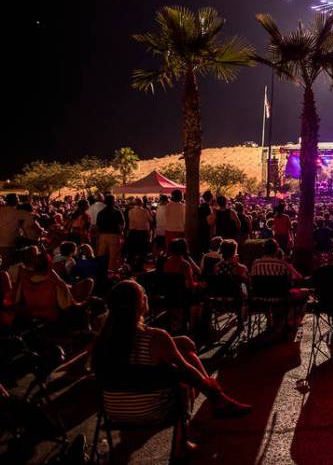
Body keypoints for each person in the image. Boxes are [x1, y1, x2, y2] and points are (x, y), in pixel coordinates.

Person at [91, 280, 251, 458]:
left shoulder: (103, 340)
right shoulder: (156, 338)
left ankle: (218, 399)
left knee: (184, 348)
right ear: (141, 304)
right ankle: (188, 435)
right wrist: (210, 387)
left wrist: (177, 343)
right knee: (184, 379)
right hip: (150, 411)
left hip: (112, 410)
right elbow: (186, 372)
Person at [96, 195, 126, 271]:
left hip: (103, 235)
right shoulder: (117, 212)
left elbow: (97, 225)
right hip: (114, 235)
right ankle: (111, 272)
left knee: (101, 255)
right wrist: (121, 233)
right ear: (113, 202)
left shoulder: (101, 212)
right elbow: (122, 224)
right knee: (113, 257)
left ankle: (100, 271)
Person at [0, 193, 33, 263]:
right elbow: (27, 225)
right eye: (18, 198)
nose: (19, 200)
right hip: (8, 243)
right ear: (16, 201)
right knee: (7, 264)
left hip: (4, 241)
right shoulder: (18, 213)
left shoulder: (1, 210)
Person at [126, 197, 153, 270]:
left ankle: (129, 266)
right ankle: (139, 266)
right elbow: (151, 220)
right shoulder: (145, 211)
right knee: (143, 251)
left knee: (132, 250)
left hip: (133, 232)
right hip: (143, 232)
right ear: (141, 203)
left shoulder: (130, 211)